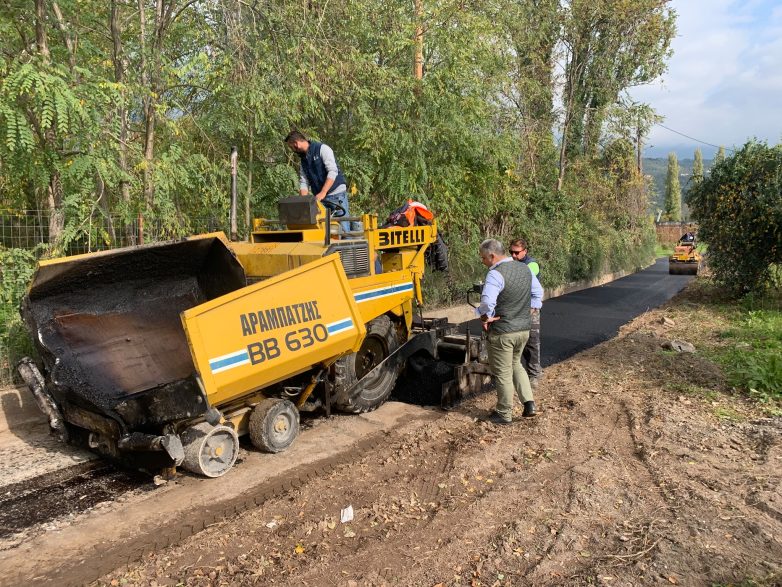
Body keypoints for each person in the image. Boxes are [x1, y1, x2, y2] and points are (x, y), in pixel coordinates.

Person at [476, 239, 543, 424]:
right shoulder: (525, 269)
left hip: (503, 332)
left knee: (503, 372)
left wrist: (485, 317)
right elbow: (538, 293)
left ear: (492, 256)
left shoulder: (496, 274)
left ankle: (504, 413)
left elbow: (488, 302)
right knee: (516, 365)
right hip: (523, 330)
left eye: (483, 258)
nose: (483, 261)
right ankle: (529, 404)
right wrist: (531, 309)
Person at [284, 131, 359, 234]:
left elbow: (333, 171)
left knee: (343, 230)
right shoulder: (303, 160)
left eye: (291, 147)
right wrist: (303, 201)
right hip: (320, 199)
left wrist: (323, 192)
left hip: (336, 195)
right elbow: (304, 181)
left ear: (296, 143)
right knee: (323, 231)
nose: (292, 150)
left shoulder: (322, 149)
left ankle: (348, 245)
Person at [510, 237, 543, 390]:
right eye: (511, 252)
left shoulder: (532, 265)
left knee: (532, 342)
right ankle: (517, 375)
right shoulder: (511, 264)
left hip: (530, 309)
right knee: (516, 342)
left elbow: (527, 276)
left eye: (517, 253)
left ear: (525, 251)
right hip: (515, 308)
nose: (514, 255)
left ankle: (534, 374)